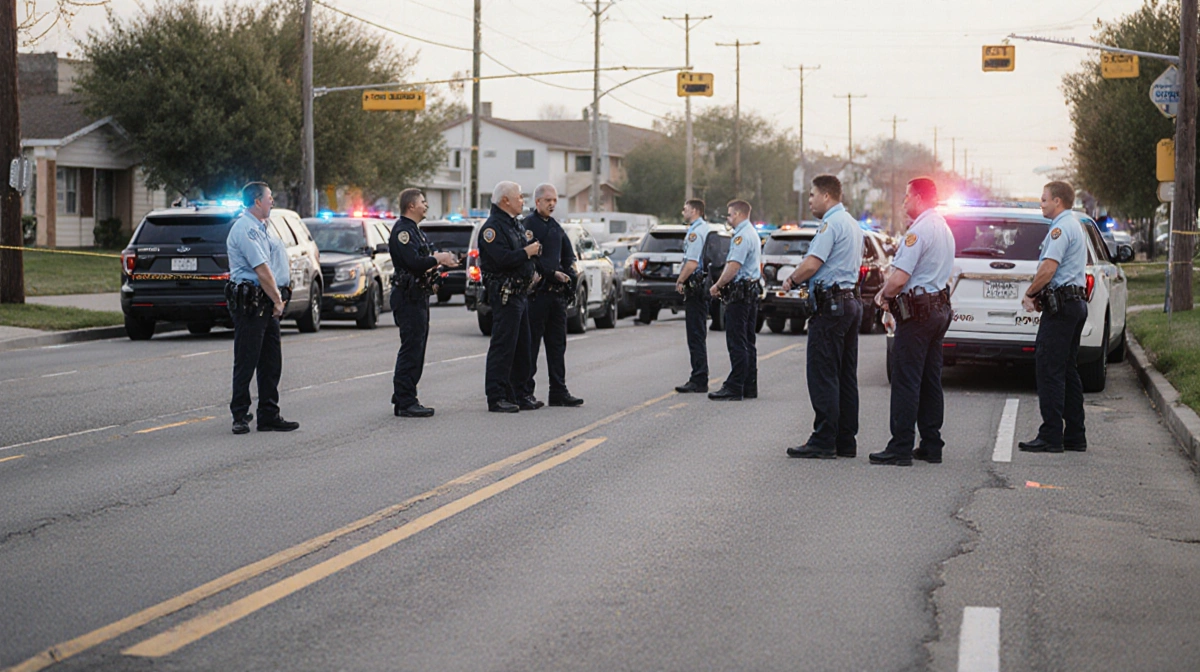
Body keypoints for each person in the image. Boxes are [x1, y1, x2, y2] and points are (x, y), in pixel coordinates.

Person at [870, 177, 955, 466]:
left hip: (917, 315)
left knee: (906, 380)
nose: (904, 201)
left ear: (919, 197)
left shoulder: (917, 232)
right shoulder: (943, 227)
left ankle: (900, 447)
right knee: (930, 380)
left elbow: (900, 277)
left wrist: (882, 295)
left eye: (907, 196)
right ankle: (932, 445)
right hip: (938, 309)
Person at [782, 175, 864, 459]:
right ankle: (845, 440)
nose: (810, 200)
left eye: (812, 195)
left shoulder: (831, 224)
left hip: (831, 306)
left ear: (827, 196)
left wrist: (791, 279)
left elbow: (813, 263)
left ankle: (823, 439)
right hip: (850, 302)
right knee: (845, 375)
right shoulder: (853, 224)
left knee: (823, 373)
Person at [1018, 181, 1089, 453]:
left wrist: (1030, 293)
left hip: (1061, 309)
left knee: (1049, 369)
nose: (1041, 202)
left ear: (1058, 201)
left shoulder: (1060, 228)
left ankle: (1050, 435)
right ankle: (1074, 434)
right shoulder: (1073, 224)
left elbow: (1049, 268)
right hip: (1073, 305)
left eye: (1045, 199)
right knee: (1068, 370)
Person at [224, 182, 299, 435]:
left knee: (270, 362)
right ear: (257, 201)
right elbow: (262, 269)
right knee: (247, 360)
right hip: (252, 304)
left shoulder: (263, 227)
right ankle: (240, 415)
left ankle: (269, 414)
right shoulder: (246, 229)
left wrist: (280, 295)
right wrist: (278, 300)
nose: (272, 201)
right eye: (269, 197)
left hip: (266, 302)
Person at [389, 188, 459, 418]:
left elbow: (423, 263)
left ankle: (404, 394)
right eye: (422, 201)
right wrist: (438, 258)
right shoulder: (403, 232)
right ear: (411, 206)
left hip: (418, 296)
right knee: (411, 348)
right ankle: (406, 400)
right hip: (408, 297)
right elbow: (413, 262)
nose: (426, 205)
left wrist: (441, 262)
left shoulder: (415, 231)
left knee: (417, 348)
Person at [478, 181, 543, 413]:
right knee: (503, 347)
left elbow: (525, 254)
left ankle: (520, 393)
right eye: (519, 197)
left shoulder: (514, 225)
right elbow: (502, 258)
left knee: (522, 347)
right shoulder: (492, 228)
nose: (522, 200)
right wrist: (526, 252)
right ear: (505, 200)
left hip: (521, 293)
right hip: (505, 294)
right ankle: (497, 396)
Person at [522, 184, 584, 408]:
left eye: (555, 200)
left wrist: (569, 274)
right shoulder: (529, 225)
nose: (552, 204)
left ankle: (558, 391)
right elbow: (530, 259)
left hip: (557, 296)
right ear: (537, 202)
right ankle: (525, 391)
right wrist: (550, 274)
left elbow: (568, 255)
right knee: (531, 346)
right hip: (538, 295)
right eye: (547, 200)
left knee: (557, 346)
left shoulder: (556, 227)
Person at [708, 199, 762, 401]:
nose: (728, 218)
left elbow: (734, 266)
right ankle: (749, 385)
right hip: (750, 292)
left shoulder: (741, 236)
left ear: (739, 214)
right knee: (748, 341)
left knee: (737, 341)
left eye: (730, 215)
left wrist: (718, 285)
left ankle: (735, 385)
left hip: (740, 294)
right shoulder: (753, 233)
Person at [674, 198, 712, 394]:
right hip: (701, 287)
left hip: (695, 288)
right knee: (698, 332)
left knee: (695, 334)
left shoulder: (696, 233)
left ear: (695, 211)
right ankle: (699, 375)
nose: (683, 212)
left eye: (685, 209)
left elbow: (692, 263)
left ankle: (699, 378)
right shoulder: (705, 229)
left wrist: (680, 280)